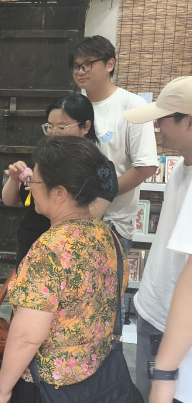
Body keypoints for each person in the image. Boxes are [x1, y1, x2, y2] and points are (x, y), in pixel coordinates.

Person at [0, 136, 129, 403]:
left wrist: (3, 388)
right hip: (98, 375)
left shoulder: (51, 250)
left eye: (35, 180)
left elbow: (26, 337)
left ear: (59, 193)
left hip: (49, 388)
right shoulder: (107, 236)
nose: (30, 186)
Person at [124, 76, 192, 403]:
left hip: (173, 329)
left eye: (163, 118)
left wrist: (165, 373)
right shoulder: (182, 166)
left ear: (189, 120)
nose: (157, 126)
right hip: (154, 312)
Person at [2, 93, 119, 269]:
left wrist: (41, 189)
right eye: (50, 126)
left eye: (62, 127)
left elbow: (89, 218)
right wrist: (14, 179)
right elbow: (9, 200)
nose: (54, 133)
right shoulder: (43, 160)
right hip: (32, 242)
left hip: (70, 250)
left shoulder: (101, 169)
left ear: (86, 126)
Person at [69, 35, 159, 253]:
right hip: (70, 218)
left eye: (88, 64)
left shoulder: (132, 105)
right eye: (76, 66)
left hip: (112, 224)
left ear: (110, 64)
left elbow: (145, 166)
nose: (80, 71)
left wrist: (100, 196)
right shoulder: (73, 105)